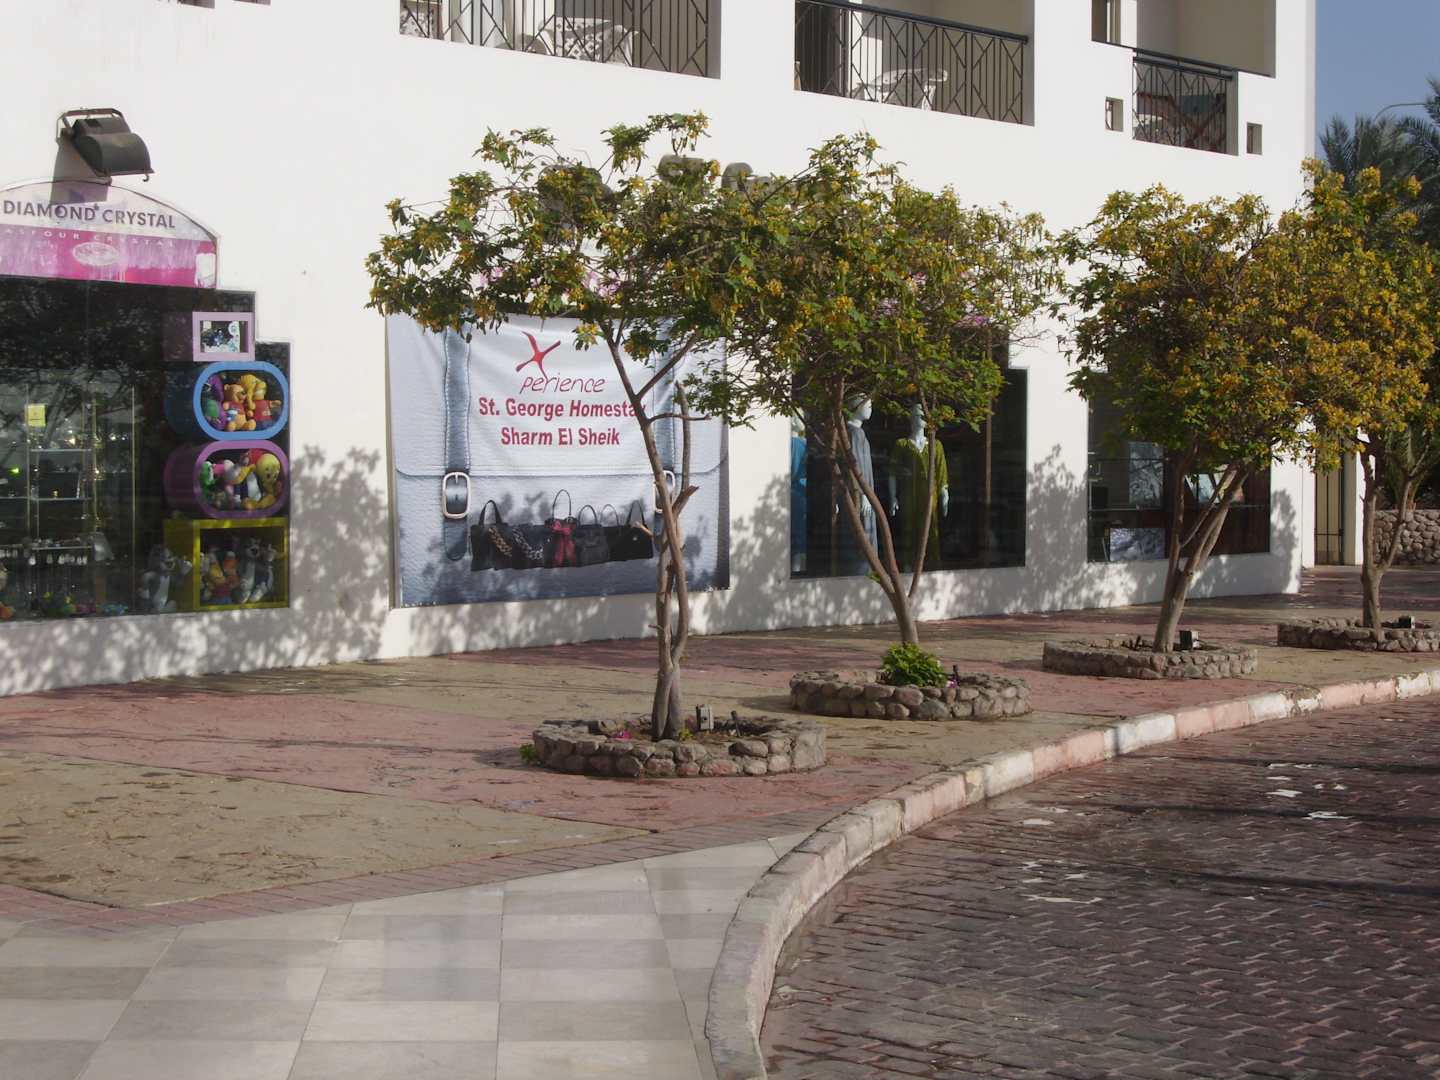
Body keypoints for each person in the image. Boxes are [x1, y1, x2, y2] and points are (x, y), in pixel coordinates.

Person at [889, 403, 948, 571]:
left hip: (929, 497)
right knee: (908, 530)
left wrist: (944, 494)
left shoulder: (936, 445)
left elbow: (941, 471)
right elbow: (892, 473)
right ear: (910, 418)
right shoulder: (902, 445)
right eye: (916, 414)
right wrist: (893, 497)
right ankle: (908, 566)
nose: (919, 418)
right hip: (908, 495)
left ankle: (932, 568)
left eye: (923, 415)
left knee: (930, 531)